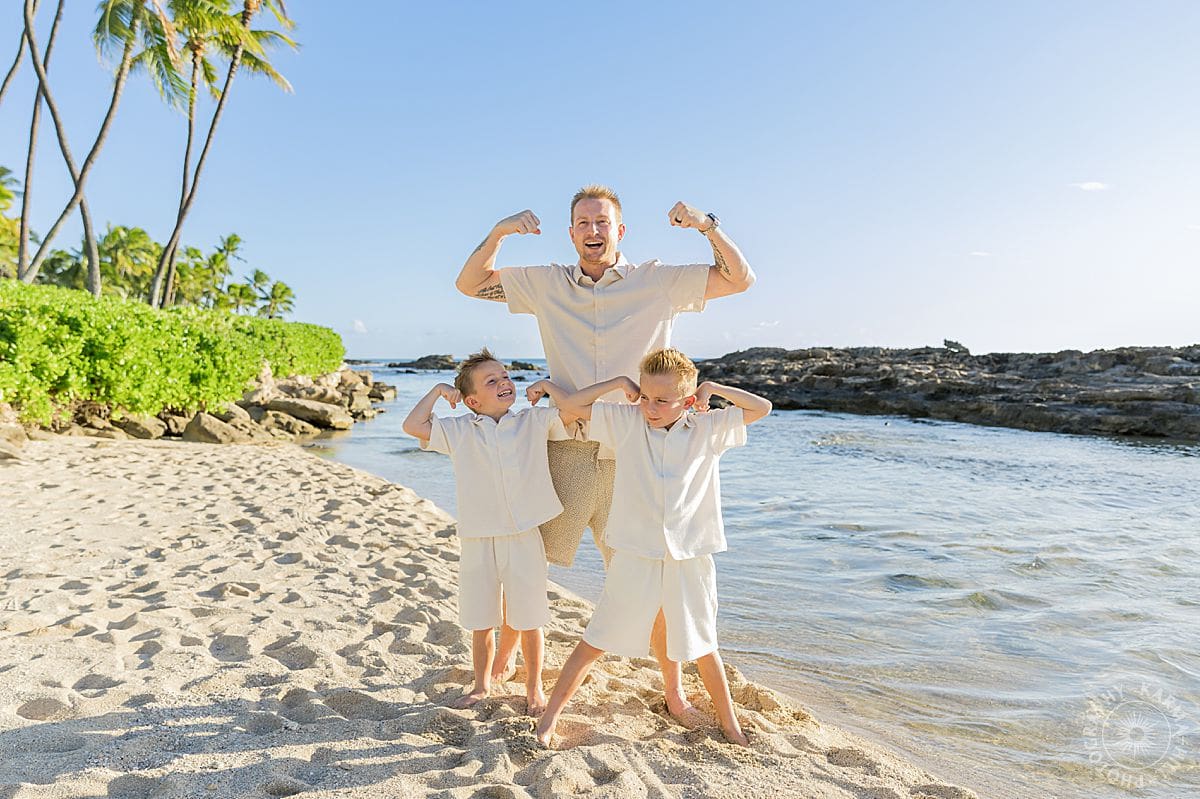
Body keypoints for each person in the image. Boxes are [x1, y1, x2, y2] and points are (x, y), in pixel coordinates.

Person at [455, 184, 756, 724]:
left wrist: (705, 225)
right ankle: (504, 658)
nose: (593, 231)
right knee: (525, 556)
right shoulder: (546, 283)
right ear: (572, 233)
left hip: (637, 454)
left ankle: (675, 691)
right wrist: (501, 230)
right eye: (583, 223)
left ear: (620, 231)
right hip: (565, 449)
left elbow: (739, 278)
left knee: (659, 576)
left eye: (603, 222)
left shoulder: (658, 280)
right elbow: (470, 282)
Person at [530, 348, 772, 747]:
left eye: (662, 400)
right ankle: (549, 719)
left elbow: (762, 407)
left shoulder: (707, 428)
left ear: (688, 399)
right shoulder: (627, 421)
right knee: (598, 636)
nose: (650, 406)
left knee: (703, 643)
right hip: (636, 552)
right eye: (646, 396)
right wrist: (618, 385)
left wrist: (713, 387)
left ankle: (731, 726)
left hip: (690, 555)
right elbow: (571, 406)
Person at [400, 349, 574, 715]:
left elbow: (573, 413)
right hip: (478, 537)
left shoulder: (532, 421)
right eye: (492, 381)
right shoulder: (458, 430)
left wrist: (549, 387)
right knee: (482, 620)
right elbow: (413, 426)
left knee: (530, 618)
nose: (504, 383)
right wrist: (436, 391)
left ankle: (534, 687)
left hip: (525, 534)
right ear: (472, 400)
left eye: (506, 376)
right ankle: (481, 686)